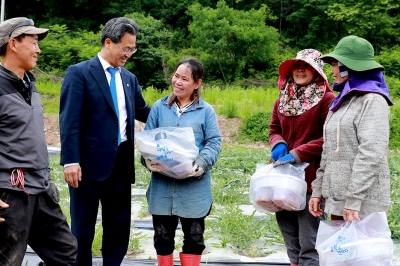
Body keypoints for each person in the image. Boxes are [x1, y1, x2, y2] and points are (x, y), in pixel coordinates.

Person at [59, 17, 151, 265]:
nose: (129, 54)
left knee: (118, 227)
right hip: (86, 166)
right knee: (83, 228)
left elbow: (143, 111)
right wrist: (70, 160)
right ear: (109, 42)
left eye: (133, 49)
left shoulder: (129, 79)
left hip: (121, 164)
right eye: (126, 48)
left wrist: (175, 108)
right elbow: (70, 120)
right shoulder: (79, 73)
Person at [0, 17, 77, 265]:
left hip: (41, 188)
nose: (38, 49)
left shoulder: (29, 84)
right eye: (33, 42)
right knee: (8, 261)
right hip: (10, 192)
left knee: (66, 255)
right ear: (13, 43)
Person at [142, 58, 222, 266]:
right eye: (176, 76)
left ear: (197, 83)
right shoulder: (159, 108)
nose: (177, 82)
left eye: (184, 79)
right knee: (162, 238)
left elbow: (214, 141)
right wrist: (147, 159)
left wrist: (202, 163)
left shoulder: (206, 111)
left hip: (194, 189)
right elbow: (148, 139)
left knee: (194, 238)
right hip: (162, 186)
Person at [309, 36, 393, 222]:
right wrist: (318, 190)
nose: (331, 72)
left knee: (363, 251)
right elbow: (328, 151)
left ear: (349, 66)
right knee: (339, 251)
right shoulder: (341, 102)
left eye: (335, 65)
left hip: (362, 205)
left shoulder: (373, 100)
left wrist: (354, 199)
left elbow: (371, 153)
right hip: (339, 200)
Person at [269, 49, 335, 266]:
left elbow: (329, 139)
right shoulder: (282, 100)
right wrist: (278, 143)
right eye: (296, 65)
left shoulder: (327, 100)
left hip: (311, 180)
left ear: (316, 71)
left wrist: (296, 154)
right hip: (283, 179)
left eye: (306, 66)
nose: (300, 69)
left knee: (310, 242)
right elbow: (273, 129)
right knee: (290, 238)